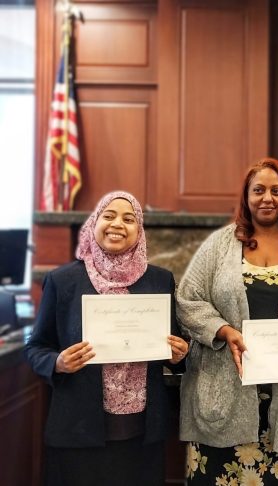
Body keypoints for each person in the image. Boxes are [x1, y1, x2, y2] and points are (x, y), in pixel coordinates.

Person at [176, 157, 278, 486]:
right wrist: (223, 331)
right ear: (246, 196)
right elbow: (187, 299)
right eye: (258, 190)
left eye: (276, 191)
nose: (267, 198)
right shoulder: (219, 245)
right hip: (224, 393)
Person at [25, 191, 189, 486]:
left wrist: (179, 355)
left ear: (139, 231)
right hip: (78, 429)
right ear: (93, 223)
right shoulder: (63, 281)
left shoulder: (159, 280)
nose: (118, 224)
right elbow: (36, 347)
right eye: (109, 215)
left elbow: (175, 344)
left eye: (129, 219)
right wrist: (57, 362)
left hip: (142, 432)